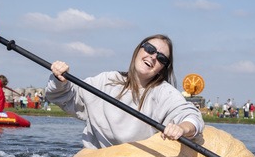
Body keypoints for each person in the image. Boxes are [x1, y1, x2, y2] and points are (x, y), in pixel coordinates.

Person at [45, 34, 204, 149]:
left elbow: (190, 116)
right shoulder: (107, 80)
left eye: (162, 58)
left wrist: (182, 128)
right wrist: (60, 79)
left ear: (163, 68)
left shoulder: (164, 93)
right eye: (149, 49)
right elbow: (66, 97)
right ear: (138, 50)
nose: (153, 56)